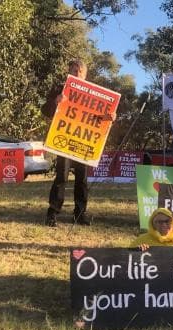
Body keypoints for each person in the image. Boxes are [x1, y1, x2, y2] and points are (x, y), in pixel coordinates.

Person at [43, 59, 116, 227]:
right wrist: (55, 101)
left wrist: (110, 118)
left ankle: (80, 214)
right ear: (69, 72)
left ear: (85, 75)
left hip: (85, 142)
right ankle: (52, 214)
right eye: (74, 71)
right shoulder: (58, 89)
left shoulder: (95, 95)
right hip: (65, 141)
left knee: (82, 180)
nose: (77, 74)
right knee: (61, 177)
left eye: (80, 72)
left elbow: (100, 118)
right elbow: (45, 111)